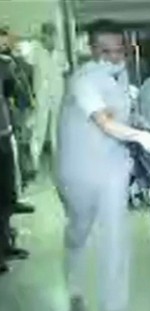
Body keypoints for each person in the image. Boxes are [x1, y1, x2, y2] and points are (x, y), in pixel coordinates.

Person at [55, 19, 150, 311]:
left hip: (114, 166)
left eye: (119, 50)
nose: (114, 57)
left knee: (116, 235)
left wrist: (141, 126)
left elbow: (124, 115)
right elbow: (104, 122)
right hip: (79, 169)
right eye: (106, 51)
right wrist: (140, 137)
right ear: (91, 50)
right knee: (80, 228)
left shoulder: (121, 76)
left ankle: (115, 307)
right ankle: (72, 267)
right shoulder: (83, 80)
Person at [0, 43, 30, 275]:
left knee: (6, 195)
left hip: (3, 133)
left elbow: (15, 94)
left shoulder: (3, 64)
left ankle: (5, 245)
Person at [29, 22, 65, 176]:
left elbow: (64, 69)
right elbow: (29, 68)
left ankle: (57, 163)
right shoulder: (35, 51)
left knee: (56, 129)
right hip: (41, 95)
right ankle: (34, 163)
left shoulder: (60, 53)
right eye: (49, 35)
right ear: (44, 35)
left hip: (57, 95)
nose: (51, 38)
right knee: (39, 129)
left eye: (53, 35)